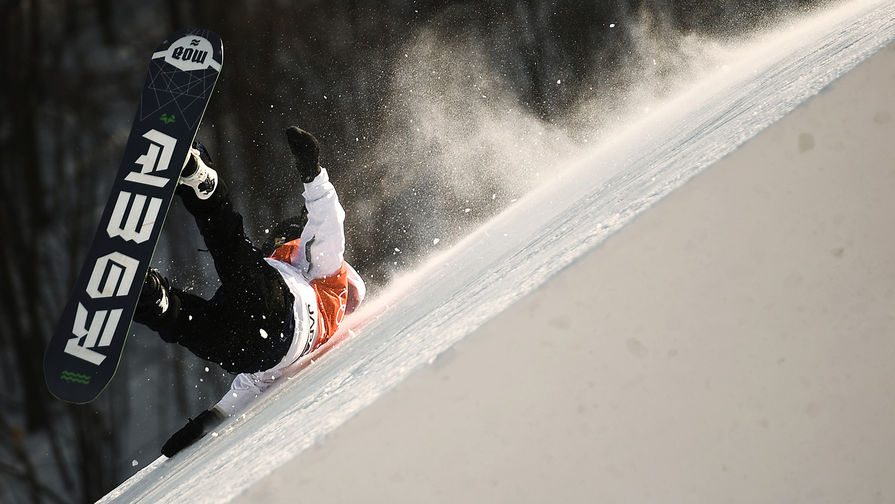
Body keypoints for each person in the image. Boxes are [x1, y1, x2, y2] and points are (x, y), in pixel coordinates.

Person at [134, 126, 366, 457]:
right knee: (196, 326)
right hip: (262, 351)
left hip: (278, 311)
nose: (273, 243)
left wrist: (313, 173)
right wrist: (209, 419)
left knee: (232, 252)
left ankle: (206, 189)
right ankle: (157, 301)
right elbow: (250, 387)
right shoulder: (317, 298)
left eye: (279, 239)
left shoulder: (324, 275)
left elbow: (327, 228)